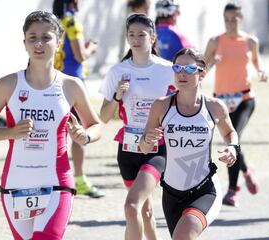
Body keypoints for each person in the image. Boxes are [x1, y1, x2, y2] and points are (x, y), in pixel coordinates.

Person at [0, 11, 102, 239]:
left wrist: (84, 135)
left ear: (59, 41)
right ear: (24, 43)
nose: (39, 43)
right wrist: (11, 132)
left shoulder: (71, 86)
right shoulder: (8, 84)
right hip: (16, 184)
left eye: (46, 37)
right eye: (32, 38)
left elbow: (96, 125)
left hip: (57, 182)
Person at [140, 48, 239, 239]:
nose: (181, 73)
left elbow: (229, 132)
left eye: (188, 69)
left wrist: (233, 148)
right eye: (177, 68)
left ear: (201, 73)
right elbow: (144, 148)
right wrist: (148, 139)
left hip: (204, 189)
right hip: (171, 192)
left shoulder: (214, 107)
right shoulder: (161, 106)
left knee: (184, 234)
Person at [99, 14, 175, 240]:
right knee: (145, 210)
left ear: (152, 38)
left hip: (157, 149)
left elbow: (184, 105)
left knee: (131, 206)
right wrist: (117, 95)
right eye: (131, 34)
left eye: (141, 34)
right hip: (128, 149)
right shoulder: (117, 72)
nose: (135, 39)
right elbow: (103, 116)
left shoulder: (168, 69)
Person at [204, 3, 268, 207]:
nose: (231, 23)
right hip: (221, 101)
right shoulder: (215, 41)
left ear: (241, 18)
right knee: (233, 140)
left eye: (235, 19)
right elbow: (201, 69)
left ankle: (232, 190)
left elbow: (257, 62)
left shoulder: (251, 41)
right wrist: (212, 62)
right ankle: (247, 170)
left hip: (245, 99)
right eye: (227, 19)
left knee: (233, 139)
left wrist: (261, 72)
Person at [53, 0, 104, 198]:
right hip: (74, 84)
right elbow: (80, 55)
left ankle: (57, 179)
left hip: (56, 81)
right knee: (79, 132)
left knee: (58, 133)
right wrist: (91, 48)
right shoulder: (72, 22)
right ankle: (80, 180)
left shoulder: (55, 20)